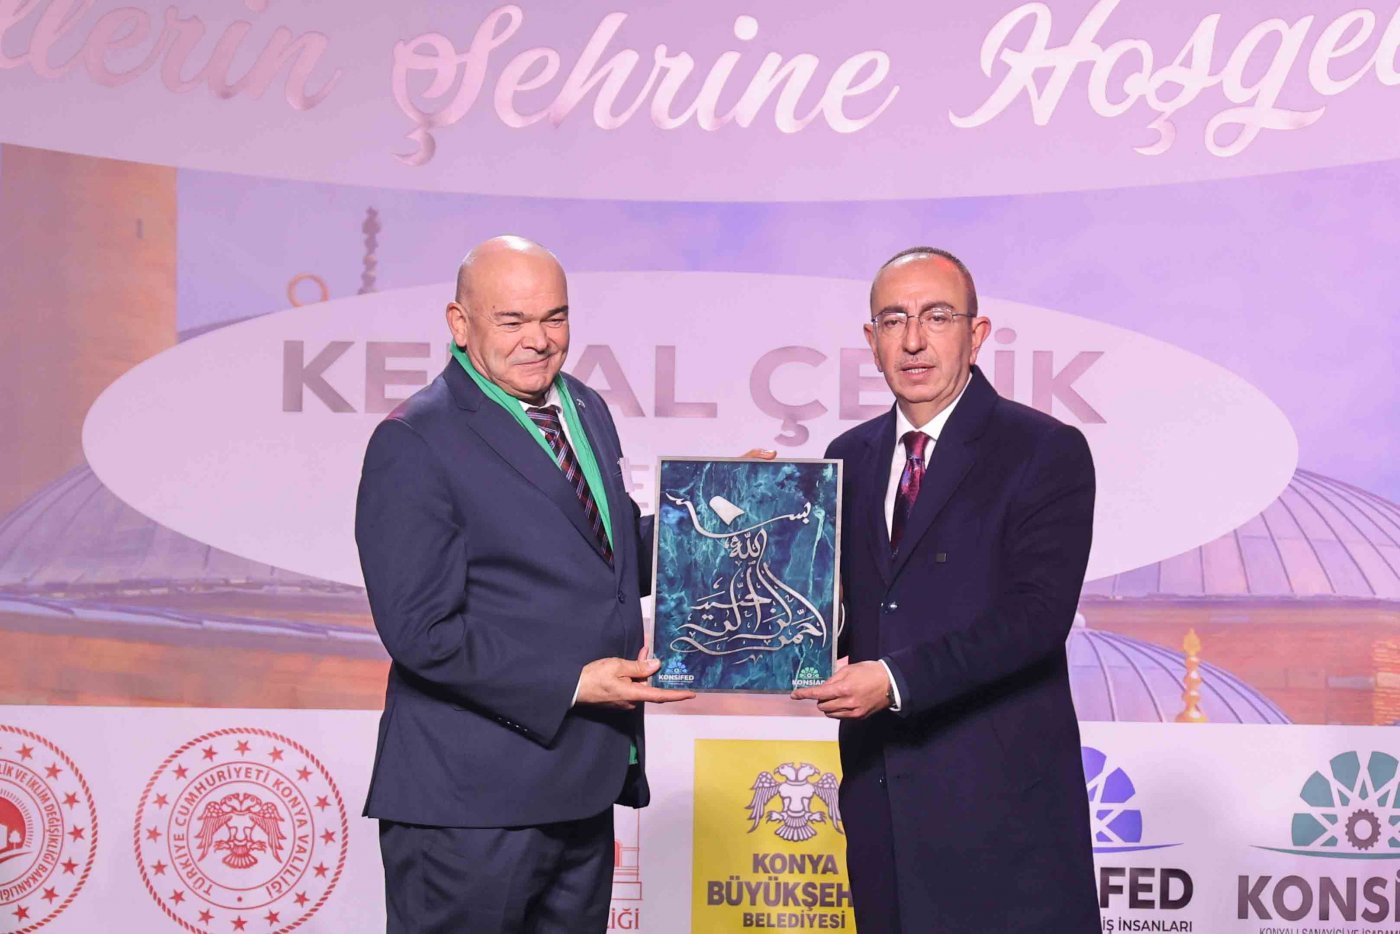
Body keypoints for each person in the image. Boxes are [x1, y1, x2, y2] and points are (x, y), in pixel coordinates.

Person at [355, 236, 697, 933]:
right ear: (460, 323)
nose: (538, 341)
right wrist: (573, 683)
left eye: (554, 318)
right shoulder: (416, 439)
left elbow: (607, 558)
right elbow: (421, 632)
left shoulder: (585, 407)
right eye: (512, 321)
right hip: (469, 807)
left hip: (581, 787)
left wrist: (718, 509)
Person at [792, 247, 1100, 932]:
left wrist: (894, 680)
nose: (913, 340)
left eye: (936, 316)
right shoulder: (847, 457)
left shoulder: (1043, 450)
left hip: (1001, 810)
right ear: (871, 340)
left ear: (976, 333)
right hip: (880, 801)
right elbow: (840, 610)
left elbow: (1036, 617)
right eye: (893, 320)